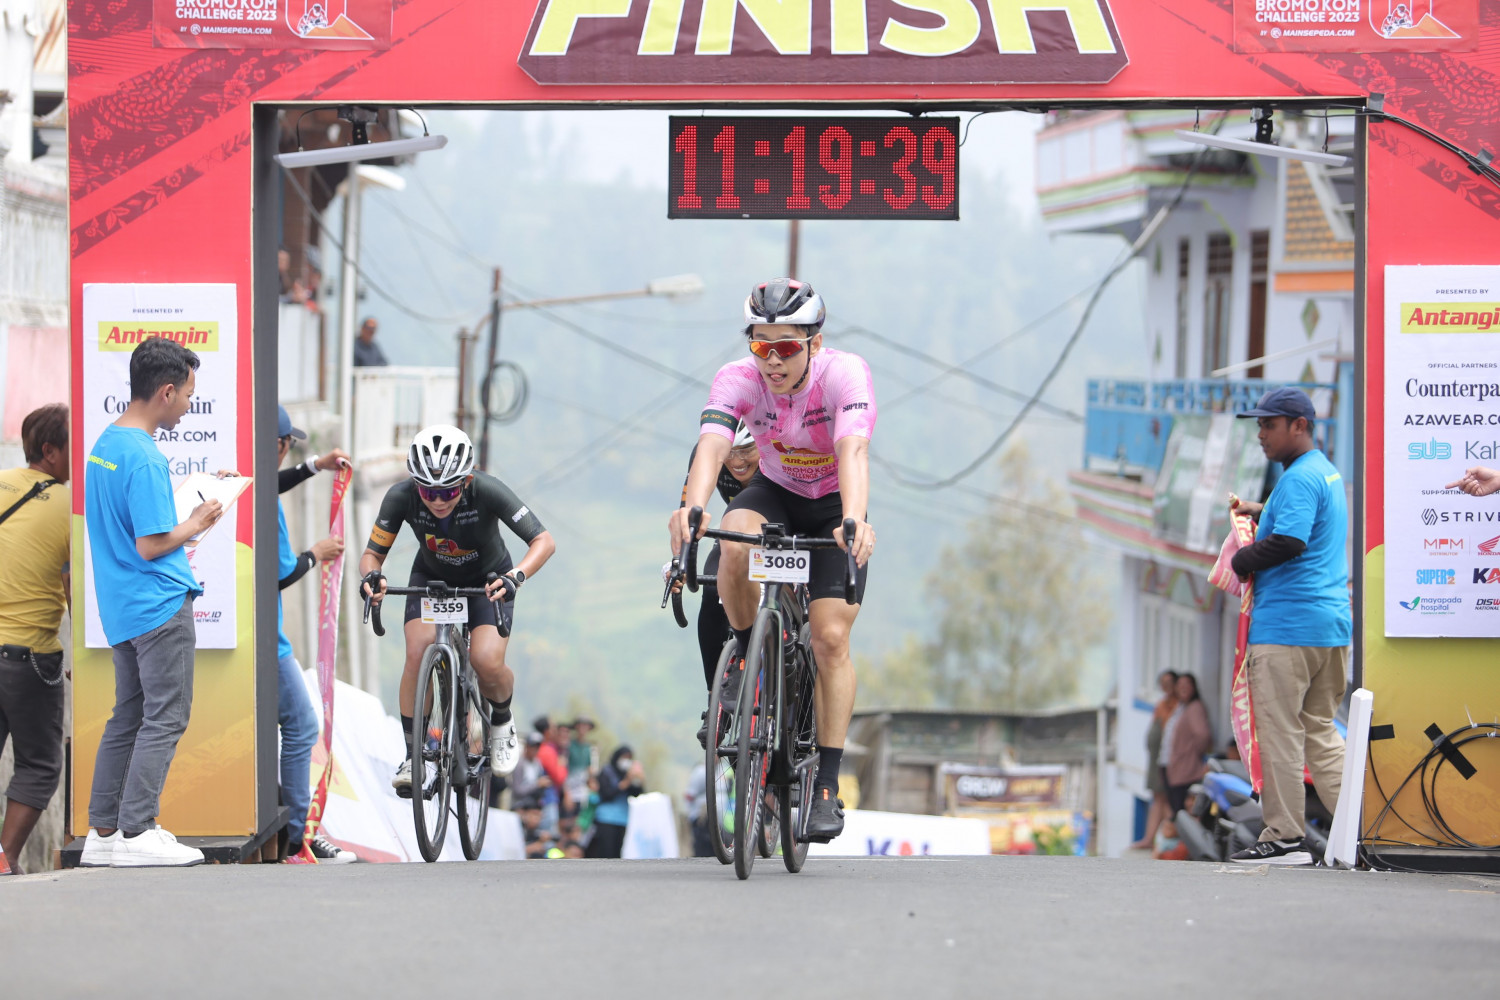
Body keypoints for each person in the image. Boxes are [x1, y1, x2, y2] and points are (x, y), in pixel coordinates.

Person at [668, 278, 876, 843]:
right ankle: (745, 654)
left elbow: (853, 450)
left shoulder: (844, 375)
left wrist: (853, 519)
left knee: (830, 638)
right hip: (776, 493)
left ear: (814, 342)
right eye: (762, 346)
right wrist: (691, 509)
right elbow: (712, 446)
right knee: (733, 539)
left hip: (832, 504)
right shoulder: (737, 378)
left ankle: (826, 785)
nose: (773, 361)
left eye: (786, 347)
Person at [79, 338, 222, 868]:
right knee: (166, 718)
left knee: (129, 716)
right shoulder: (144, 458)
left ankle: (104, 832)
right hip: (158, 604)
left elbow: (130, 526)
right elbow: (151, 543)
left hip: (122, 607)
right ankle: (138, 831)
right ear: (165, 391)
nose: (188, 404)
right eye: (188, 394)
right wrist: (199, 520)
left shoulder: (106, 444)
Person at [359, 425, 555, 794]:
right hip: (432, 578)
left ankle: (501, 719)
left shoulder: (487, 489)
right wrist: (373, 576)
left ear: (466, 480)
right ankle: (413, 756)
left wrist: (516, 576)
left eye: (448, 491)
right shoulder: (400, 497)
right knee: (417, 653)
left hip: (488, 581)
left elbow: (543, 541)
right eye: (428, 491)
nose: (437, 501)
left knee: (486, 660)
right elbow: (372, 555)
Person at [1227, 387, 1349, 866]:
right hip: (1329, 629)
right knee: (1320, 732)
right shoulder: (1324, 471)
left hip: (1287, 630)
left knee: (1280, 734)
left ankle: (1284, 838)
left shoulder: (1298, 479)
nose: (1261, 434)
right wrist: (1259, 511)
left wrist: (1242, 561)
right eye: (1259, 425)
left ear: (1299, 425)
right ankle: (1361, 832)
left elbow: (1290, 542)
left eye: (1269, 424)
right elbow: (1303, 525)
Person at [272, 406, 356, 865]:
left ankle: (293, 830)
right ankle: (298, 835)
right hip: (266, 641)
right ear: (279, 445)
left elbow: (273, 481)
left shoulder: (244, 481)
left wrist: (314, 466)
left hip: (239, 634)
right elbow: (281, 574)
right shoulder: (265, 503)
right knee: (302, 725)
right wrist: (315, 554)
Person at [0, 404, 70, 873]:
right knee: (39, 764)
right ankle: (4, 858)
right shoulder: (69, 507)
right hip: (29, 658)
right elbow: (75, 585)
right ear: (49, 451)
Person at [674, 421, 760, 746]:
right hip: (737, 530)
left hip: (785, 526)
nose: (737, 461)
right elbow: (686, 515)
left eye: (747, 451)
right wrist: (680, 563)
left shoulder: (777, 451)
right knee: (713, 592)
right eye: (731, 453)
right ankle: (716, 703)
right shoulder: (707, 453)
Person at [1128, 669, 1178, 851]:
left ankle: (1169, 838)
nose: (1166, 687)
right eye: (1163, 683)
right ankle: (1150, 838)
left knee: (1166, 800)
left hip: (1169, 760)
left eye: (1169, 683)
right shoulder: (1161, 704)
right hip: (1156, 759)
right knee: (1158, 798)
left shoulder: (1178, 706)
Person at [1160, 673, 1211, 817]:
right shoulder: (1181, 707)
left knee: (1182, 812)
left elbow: (1202, 735)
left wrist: (1189, 754)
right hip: (1173, 767)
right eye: (1180, 684)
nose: (1183, 688)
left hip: (1186, 771)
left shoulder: (1195, 708)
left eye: (1187, 684)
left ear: (1193, 687)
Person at [585, 745, 643, 859]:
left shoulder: (627, 773)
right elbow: (606, 794)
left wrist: (639, 780)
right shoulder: (607, 771)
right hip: (606, 819)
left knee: (617, 854)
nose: (626, 761)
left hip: (622, 820)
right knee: (606, 853)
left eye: (629, 758)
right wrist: (625, 783)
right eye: (624, 757)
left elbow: (636, 794)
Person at [508, 731, 549, 810]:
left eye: (537, 747)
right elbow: (517, 791)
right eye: (533, 746)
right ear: (527, 746)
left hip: (533, 806)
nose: (535, 749)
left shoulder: (537, 764)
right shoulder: (520, 764)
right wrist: (537, 784)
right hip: (519, 806)